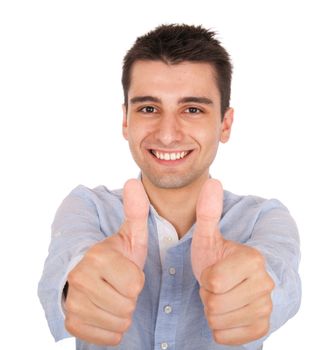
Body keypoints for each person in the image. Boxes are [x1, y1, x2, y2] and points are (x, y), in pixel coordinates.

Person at [38, 24, 301, 350]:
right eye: (149, 108)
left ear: (225, 124)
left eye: (192, 110)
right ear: (125, 121)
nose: (167, 134)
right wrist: (77, 291)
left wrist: (259, 292)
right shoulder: (87, 208)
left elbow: (280, 277)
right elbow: (66, 268)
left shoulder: (263, 218)